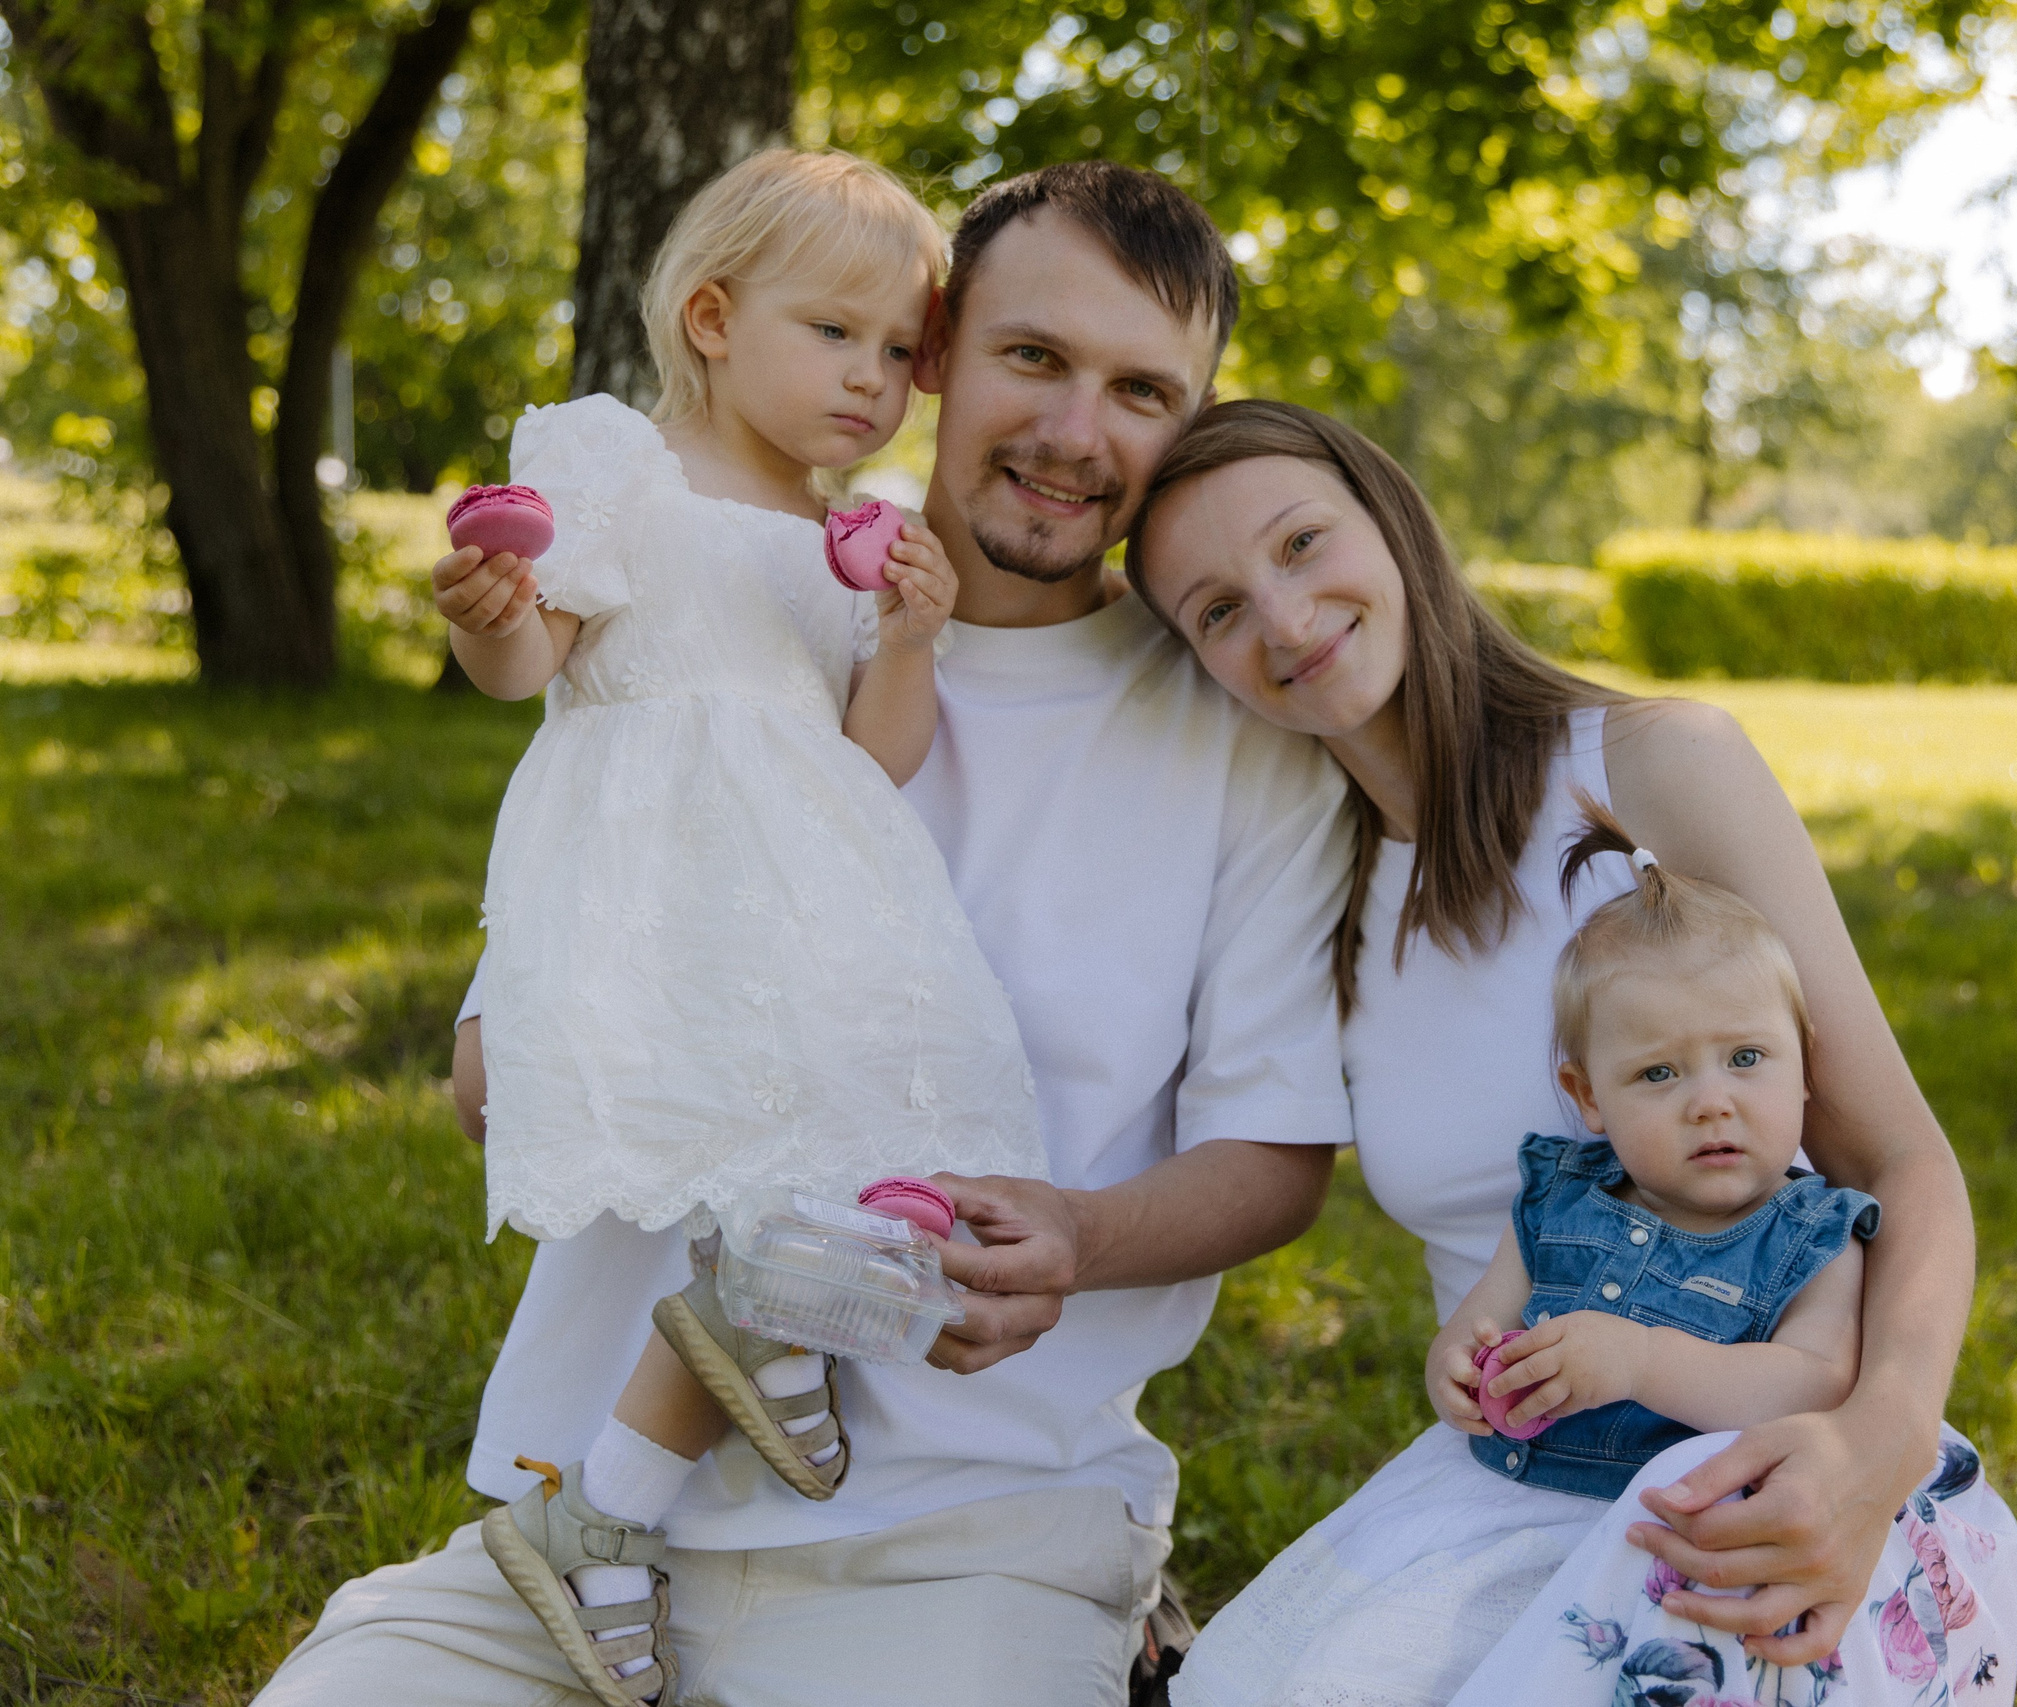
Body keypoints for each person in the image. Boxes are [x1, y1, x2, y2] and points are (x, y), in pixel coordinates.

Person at [257, 163, 1353, 1707]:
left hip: (965, 1541)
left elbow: (1275, 1155)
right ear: (939, 352)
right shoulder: (718, 620)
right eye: (1032, 356)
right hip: (578, 1529)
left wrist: (1081, 1232)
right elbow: (508, 1064)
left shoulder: (1240, 740)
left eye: (1140, 390)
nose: (1073, 430)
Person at [1124, 400, 2017, 1706]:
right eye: (1216, 609)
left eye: (1303, 541)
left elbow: (1902, 1161)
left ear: (1393, 520)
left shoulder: (1654, 768)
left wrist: (1876, 1443)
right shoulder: (1312, 877)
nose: (1282, 614)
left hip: (1758, 1451)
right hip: (1508, 1483)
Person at [424, 149, 1051, 1704]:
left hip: (809, 890)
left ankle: (647, 1455)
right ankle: (677, 1415)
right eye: (833, 333)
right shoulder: (621, 465)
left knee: (865, 1111)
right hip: (644, 877)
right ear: (712, 317)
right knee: (676, 1119)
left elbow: (876, 754)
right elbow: (531, 663)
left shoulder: (853, 535)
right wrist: (491, 617)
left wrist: (909, 634)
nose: (873, 378)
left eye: (898, 349)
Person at [1172, 806, 1881, 1703]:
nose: (1711, 1100)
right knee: (1348, 1665)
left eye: (1746, 1057)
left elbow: (1817, 1382)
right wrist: (1458, 1363)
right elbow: (1485, 1313)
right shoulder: (1558, 1197)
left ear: (1804, 1067)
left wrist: (1643, 1361)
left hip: (1668, 1539)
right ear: (1588, 1097)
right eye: (1659, 1073)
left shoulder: (1813, 1229)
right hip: (1497, 1507)